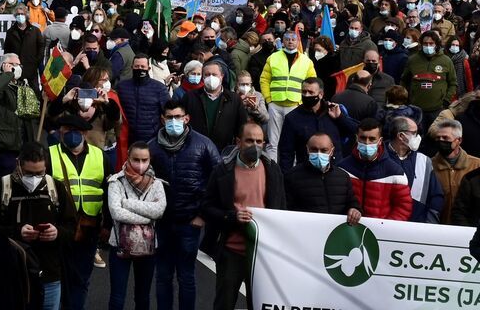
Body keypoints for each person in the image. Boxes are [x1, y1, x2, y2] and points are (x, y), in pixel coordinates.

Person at [202, 122, 285, 310]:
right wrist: (232, 217)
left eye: (259, 141)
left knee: (259, 304)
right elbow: (207, 207)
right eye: (249, 140)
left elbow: (281, 208)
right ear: (238, 142)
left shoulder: (273, 170)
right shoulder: (223, 170)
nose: (254, 146)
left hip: (262, 253)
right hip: (232, 251)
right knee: (224, 303)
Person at [148, 100, 220, 310]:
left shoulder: (204, 144)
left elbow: (217, 182)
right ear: (163, 119)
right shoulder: (152, 147)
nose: (173, 121)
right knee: (162, 276)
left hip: (190, 222)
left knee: (186, 277)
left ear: (186, 118)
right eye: (169, 117)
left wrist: (203, 216)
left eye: (177, 117)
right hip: (161, 223)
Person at [0, 141, 75, 310]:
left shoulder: (56, 188)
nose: (34, 178)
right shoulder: (1, 187)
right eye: (29, 173)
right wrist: (15, 232)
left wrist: (57, 233)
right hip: (12, 274)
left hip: (49, 274)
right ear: (18, 164)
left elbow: (71, 226)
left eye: (40, 173)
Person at [47, 113, 110, 310]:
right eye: (65, 132)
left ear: (84, 133)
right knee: (59, 278)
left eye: (75, 132)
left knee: (81, 279)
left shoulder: (100, 156)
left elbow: (109, 191)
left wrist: (107, 225)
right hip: (59, 228)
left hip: (89, 228)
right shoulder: (49, 154)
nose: (70, 136)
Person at [106, 141, 165, 310]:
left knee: (143, 296)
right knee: (117, 297)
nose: (140, 164)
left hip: (148, 248)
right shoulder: (116, 181)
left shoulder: (157, 184)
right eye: (136, 159)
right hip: (119, 246)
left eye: (144, 160)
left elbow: (159, 211)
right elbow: (116, 213)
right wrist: (147, 217)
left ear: (150, 159)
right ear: (128, 158)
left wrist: (127, 203)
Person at [337, 117, 413, 221]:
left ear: (380, 141)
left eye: (372, 139)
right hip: (349, 229)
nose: (367, 143)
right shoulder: (343, 167)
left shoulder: (395, 172)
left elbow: (403, 207)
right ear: (356, 138)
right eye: (363, 138)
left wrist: (386, 227)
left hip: (380, 233)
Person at [277, 78, 358, 173]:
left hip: (335, 172)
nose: (306, 95)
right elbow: (286, 153)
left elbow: (357, 131)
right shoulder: (292, 118)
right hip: (305, 173)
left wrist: (340, 117)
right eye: (304, 92)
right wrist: (285, 178)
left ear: (321, 94)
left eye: (310, 92)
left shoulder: (334, 111)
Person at [259, 31, 317, 159]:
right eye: (287, 39)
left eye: (293, 39)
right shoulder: (273, 57)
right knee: (272, 143)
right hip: (275, 104)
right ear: (283, 41)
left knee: (295, 141)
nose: (290, 42)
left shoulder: (306, 61)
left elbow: (312, 83)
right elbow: (264, 79)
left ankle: (293, 172)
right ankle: (272, 171)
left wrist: (303, 103)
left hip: (295, 105)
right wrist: (268, 99)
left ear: (297, 42)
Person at [283, 132, 363, 223]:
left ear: (332, 151)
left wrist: (355, 209)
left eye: (324, 150)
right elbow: (286, 209)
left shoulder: (343, 177)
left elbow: (352, 201)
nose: (318, 154)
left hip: (335, 233)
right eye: (314, 149)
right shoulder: (292, 176)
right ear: (307, 149)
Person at [386, 116, 443, 223]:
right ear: (401, 136)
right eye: (415, 133)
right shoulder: (378, 157)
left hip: (417, 227)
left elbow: (436, 197)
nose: (418, 137)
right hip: (385, 225)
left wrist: (428, 223)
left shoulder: (424, 161)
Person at [181, 61, 248, 151]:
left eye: (214, 74)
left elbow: (241, 126)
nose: (211, 77)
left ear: (221, 76)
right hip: (195, 150)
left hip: (225, 152)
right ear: (203, 77)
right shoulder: (190, 97)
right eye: (207, 74)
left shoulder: (234, 99)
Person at [401, 30, 456, 130]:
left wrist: (446, 101)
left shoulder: (446, 61)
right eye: (425, 43)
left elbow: (453, 83)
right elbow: (404, 80)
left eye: (431, 43)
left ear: (436, 44)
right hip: (416, 109)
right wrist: (406, 99)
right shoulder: (413, 60)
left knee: (435, 136)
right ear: (421, 44)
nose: (428, 46)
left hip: (437, 109)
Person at [429, 118, 480, 223]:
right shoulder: (428, 165)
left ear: (459, 140)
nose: (441, 141)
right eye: (438, 138)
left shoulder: (476, 165)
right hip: (438, 227)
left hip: (468, 229)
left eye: (445, 138)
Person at [116, 54, 169, 146]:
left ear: (148, 68)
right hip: (127, 137)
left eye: (142, 66)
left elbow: (168, 110)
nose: (139, 69)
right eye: (136, 66)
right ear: (132, 67)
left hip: (151, 138)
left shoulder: (159, 88)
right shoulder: (122, 87)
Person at [4, 4, 45, 85]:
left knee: (35, 92)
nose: (20, 16)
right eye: (18, 14)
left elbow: (41, 46)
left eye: (22, 14)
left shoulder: (35, 31)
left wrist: (36, 61)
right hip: (16, 69)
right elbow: (6, 50)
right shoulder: (10, 32)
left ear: (26, 15)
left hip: (31, 69)